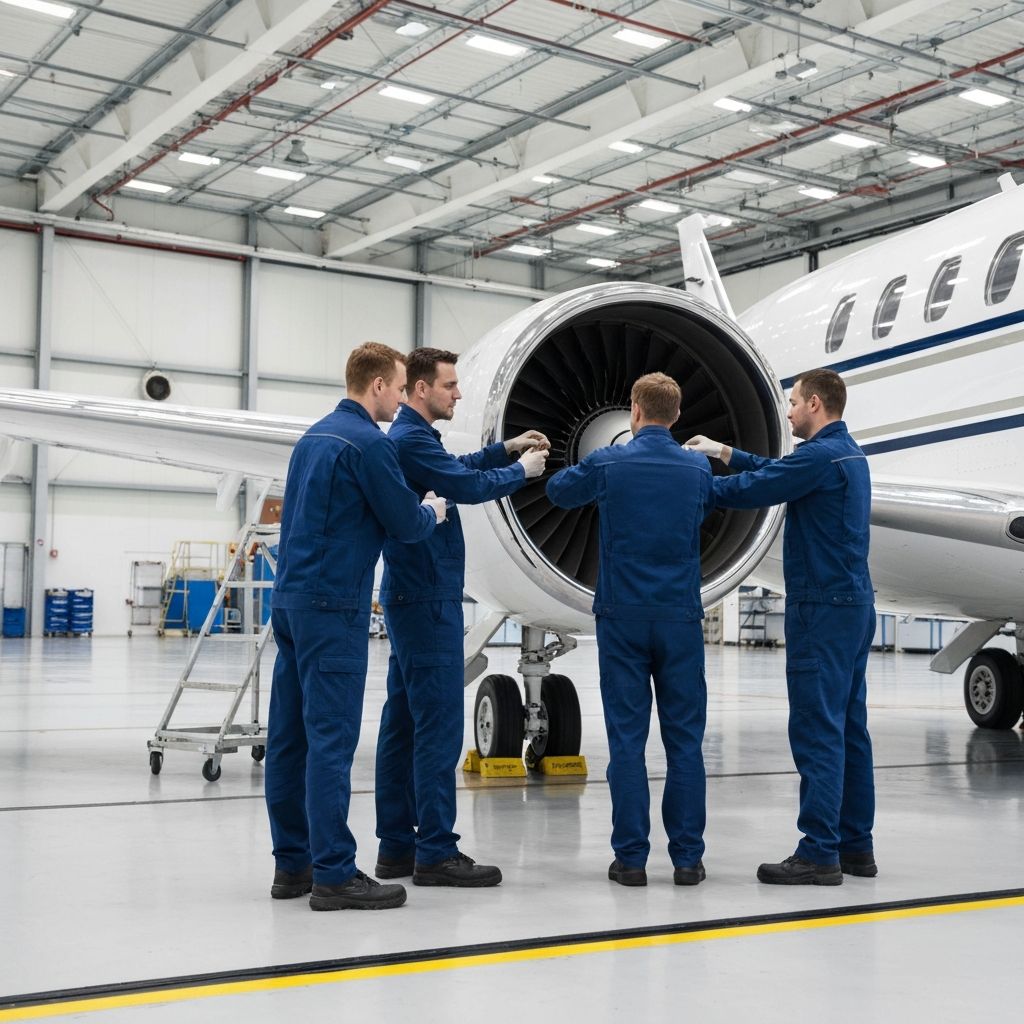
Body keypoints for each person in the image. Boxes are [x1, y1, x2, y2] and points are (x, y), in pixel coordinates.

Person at [264, 342, 447, 911]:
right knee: (331, 742)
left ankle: (292, 866)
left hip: (291, 603)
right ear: (376, 387)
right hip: (332, 607)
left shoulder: (312, 437)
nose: (400, 396)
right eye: (397, 386)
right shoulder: (370, 443)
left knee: (289, 741)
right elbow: (403, 523)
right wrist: (434, 512)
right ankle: (335, 874)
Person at [686, 367, 876, 886]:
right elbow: (781, 472)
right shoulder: (847, 454)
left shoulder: (818, 457)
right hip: (855, 606)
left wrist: (691, 476)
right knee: (849, 730)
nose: (788, 411)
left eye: (792, 403)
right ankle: (856, 846)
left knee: (817, 731)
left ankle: (819, 852)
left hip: (822, 610)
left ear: (815, 403)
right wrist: (724, 452)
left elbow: (757, 489)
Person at [374, 348, 549, 887]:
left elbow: (457, 470)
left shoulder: (415, 439)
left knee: (403, 724)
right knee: (438, 728)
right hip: (428, 598)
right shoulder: (410, 440)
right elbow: (467, 488)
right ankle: (437, 852)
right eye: (450, 386)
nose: (459, 393)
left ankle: (398, 847)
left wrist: (504, 449)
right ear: (421, 389)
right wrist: (522, 470)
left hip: (414, 596)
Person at [546, 372, 712, 888]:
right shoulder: (697, 467)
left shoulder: (609, 463)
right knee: (685, 744)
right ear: (677, 415)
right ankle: (687, 860)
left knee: (627, 742)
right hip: (680, 618)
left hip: (623, 619)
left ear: (635, 413)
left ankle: (632, 860)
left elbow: (557, 491)